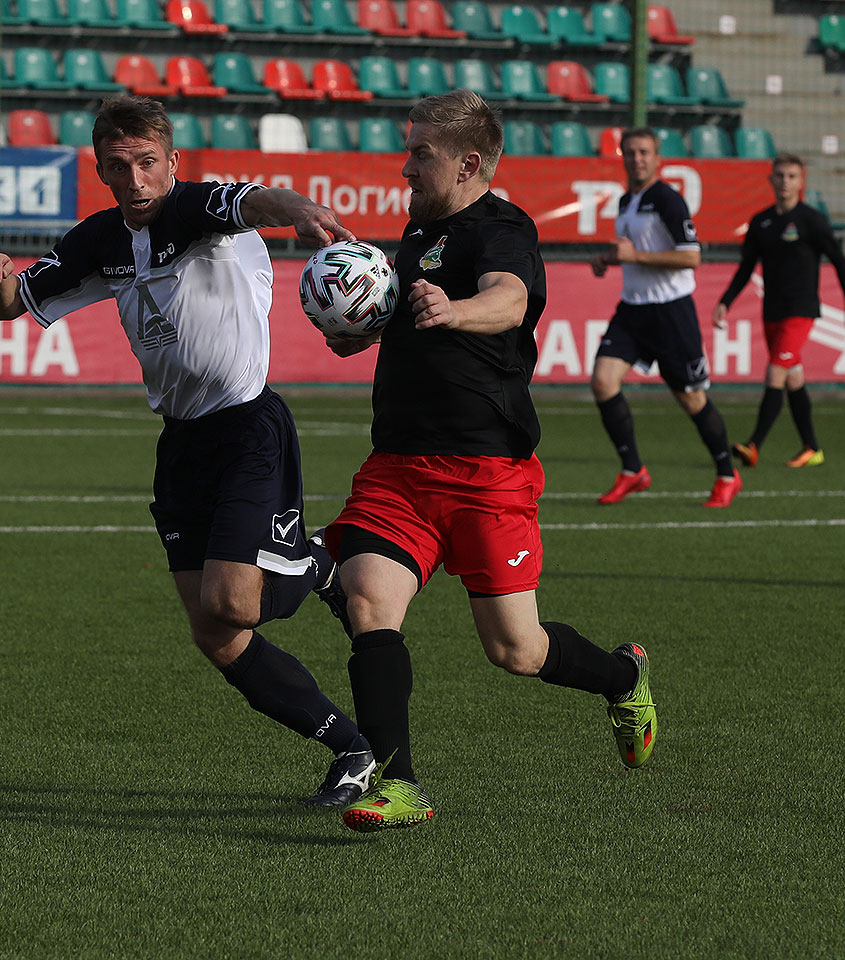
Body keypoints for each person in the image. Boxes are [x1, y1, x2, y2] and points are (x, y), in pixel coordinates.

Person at [0, 95, 374, 808]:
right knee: (215, 634)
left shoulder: (194, 210)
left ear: (172, 162)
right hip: (181, 445)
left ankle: (314, 564)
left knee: (233, 603)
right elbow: (9, 305)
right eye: (119, 166)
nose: (136, 179)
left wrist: (301, 209)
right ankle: (352, 749)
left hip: (247, 430)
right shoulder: (99, 241)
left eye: (148, 162)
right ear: (101, 170)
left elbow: (257, 201)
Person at [318, 90, 657, 833]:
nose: (406, 167)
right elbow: (413, 318)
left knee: (516, 649)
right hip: (399, 467)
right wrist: (367, 330)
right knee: (368, 601)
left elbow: (508, 300)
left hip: (485, 474)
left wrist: (456, 310)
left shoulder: (504, 229)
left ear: (469, 163)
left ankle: (622, 676)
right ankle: (399, 785)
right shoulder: (418, 231)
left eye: (421, 154)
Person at [589, 127, 741, 508]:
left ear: (658, 158)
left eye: (644, 152)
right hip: (632, 309)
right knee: (603, 381)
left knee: (691, 398)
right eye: (630, 152)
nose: (636, 159)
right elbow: (633, 250)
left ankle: (727, 474)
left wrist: (634, 257)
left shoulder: (668, 200)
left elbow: (691, 256)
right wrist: (608, 259)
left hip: (671, 312)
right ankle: (633, 470)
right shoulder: (627, 201)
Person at [712, 153, 845, 468]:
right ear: (771, 179)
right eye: (780, 176)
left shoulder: (812, 220)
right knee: (793, 377)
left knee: (775, 372)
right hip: (772, 311)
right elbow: (746, 267)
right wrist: (726, 301)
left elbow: (839, 261)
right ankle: (811, 448)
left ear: (801, 181)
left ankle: (753, 445)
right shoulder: (761, 222)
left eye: (792, 176)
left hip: (801, 310)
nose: (785, 182)